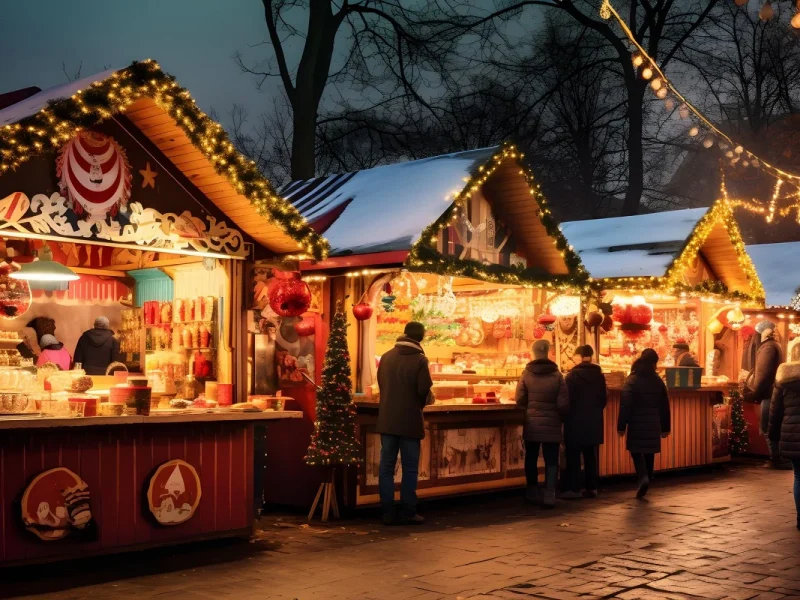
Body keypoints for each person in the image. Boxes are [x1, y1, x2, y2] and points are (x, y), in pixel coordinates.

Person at [376, 321, 433, 526]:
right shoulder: (420, 360)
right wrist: (418, 404)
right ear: (421, 336)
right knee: (409, 468)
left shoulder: (386, 357)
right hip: (410, 421)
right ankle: (408, 511)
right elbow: (423, 390)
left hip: (387, 420)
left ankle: (387, 512)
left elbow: (381, 384)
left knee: (386, 467)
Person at [515, 339, 569, 508]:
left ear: (533, 354)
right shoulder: (557, 376)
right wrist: (559, 418)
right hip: (552, 424)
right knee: (551, 459)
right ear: (548, 353)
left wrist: (529, 410)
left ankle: (532, 492)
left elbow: (520, 399)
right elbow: (563, 404)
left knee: (531, 457)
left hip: (532, 423)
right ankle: (549, 494)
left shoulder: (526, 374)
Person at [617, 348, 671, 499]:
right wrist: (665, 427)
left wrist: (621, 426)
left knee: (636, 451)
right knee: (649, 451)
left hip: (636, 422)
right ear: (654, 363)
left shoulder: (632, 379)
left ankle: (643, 477)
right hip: (653, 423)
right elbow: (664, 405)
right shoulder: (658, 381)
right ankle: (648, 478)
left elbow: (625, 404)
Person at [562, 345, 607, 500]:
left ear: (579, 357)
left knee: (573, 454)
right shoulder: (599, 376)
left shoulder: (571, 376)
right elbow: (603, 400)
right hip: (593, 421)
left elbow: (566, 400)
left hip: (574, 421)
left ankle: (574, 488)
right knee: (590, 455)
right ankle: (591, 487)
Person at [745, 320, 788, 469]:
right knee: (773, 425)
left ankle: (776, 458)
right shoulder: (775, 345)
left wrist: (754, 394)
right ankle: (778, 457)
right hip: (773, 392)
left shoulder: (767, 348)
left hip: (768, 394)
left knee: (768, 426)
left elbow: (763, 374)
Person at [768, 345, 800, 531]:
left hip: (791, 435)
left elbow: (775, 410)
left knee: (799, 477)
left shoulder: (783, 378)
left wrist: (773, 436)